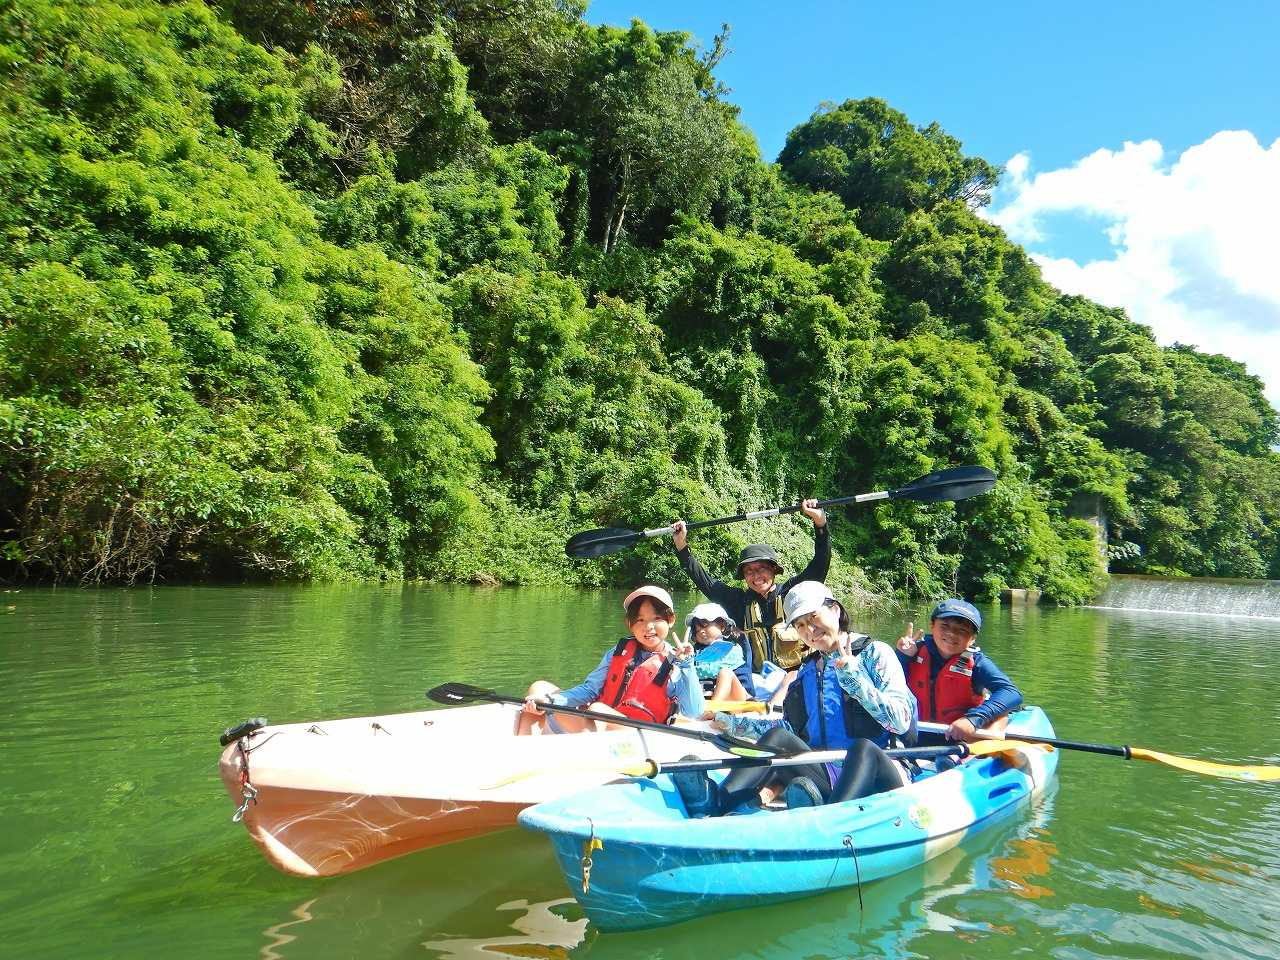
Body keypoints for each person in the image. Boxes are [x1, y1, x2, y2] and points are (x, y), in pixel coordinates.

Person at [674, 581, 917, 815]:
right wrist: (732, 723)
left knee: (864, 748)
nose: (809, 630)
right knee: (777, 736)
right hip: (829, 774)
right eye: (800, 624)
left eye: (813, 617)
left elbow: (899, 721)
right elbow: (789, 728)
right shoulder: (810, 668)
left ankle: (831, 820)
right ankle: (718, 801)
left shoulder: (875, 653)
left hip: (879, 772)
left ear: (835, 609)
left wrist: (854, 681)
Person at [671, 500, 829, 696]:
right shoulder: (739, 601)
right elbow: (705, 582)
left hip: (795, 677)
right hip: (757, 679)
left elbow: (820, 563)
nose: (756, 576)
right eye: (749, 571)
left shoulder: (793, 594)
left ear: (773, 569)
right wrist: (681, 546)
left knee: (791, 678)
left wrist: (819, 523)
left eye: (762, 568)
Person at [516, 585, 704, 735]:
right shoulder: (618, 652)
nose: (649, 627)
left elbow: (694, 712)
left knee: (598, 709)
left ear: (670, 620)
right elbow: (589, 690)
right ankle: (523, 756)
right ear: (629, 624)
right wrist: (550, 700)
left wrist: (687, 665)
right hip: (602, 722)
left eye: (656, 618)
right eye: (640, 620)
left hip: (642, 736)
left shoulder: (678, 661)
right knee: (539, 689)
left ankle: (585, 765)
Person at [895, 598, 1023, 742]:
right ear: (932, 626)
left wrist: (972, 720)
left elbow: (1011, 693)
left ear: (973, 638)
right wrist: (902, 657)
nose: (951, 633)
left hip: (960, 739)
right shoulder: (912, 652)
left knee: (1001, 714)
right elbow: (887, 685)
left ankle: (974, 756)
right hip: (916, 734)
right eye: (944, 625)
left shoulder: (978, 662)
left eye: (962, 630)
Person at [684, 602, 755, 704]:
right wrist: (683, 660)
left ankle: (713, 710)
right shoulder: (697, 651)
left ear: (722, 626)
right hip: (706, 696)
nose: (701, 632)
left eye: (705, 626)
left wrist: (688, 667)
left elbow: (711, 670)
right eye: (697, 630)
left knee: (725, 673)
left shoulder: (733, 648)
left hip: (737, 699)